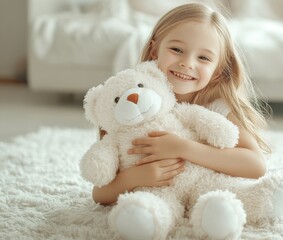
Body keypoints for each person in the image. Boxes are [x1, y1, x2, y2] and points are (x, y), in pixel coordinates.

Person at [92, 2, 272, 206]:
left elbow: (256, 165)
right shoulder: (130, 103)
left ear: (219, 69)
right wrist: (136, 177)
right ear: (154, 50)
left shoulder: (217, 106)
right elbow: (100, 195)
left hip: (205, 194)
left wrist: (183, 148)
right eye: (177, 49)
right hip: (155, 200)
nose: (187, 63)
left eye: (203, 57)